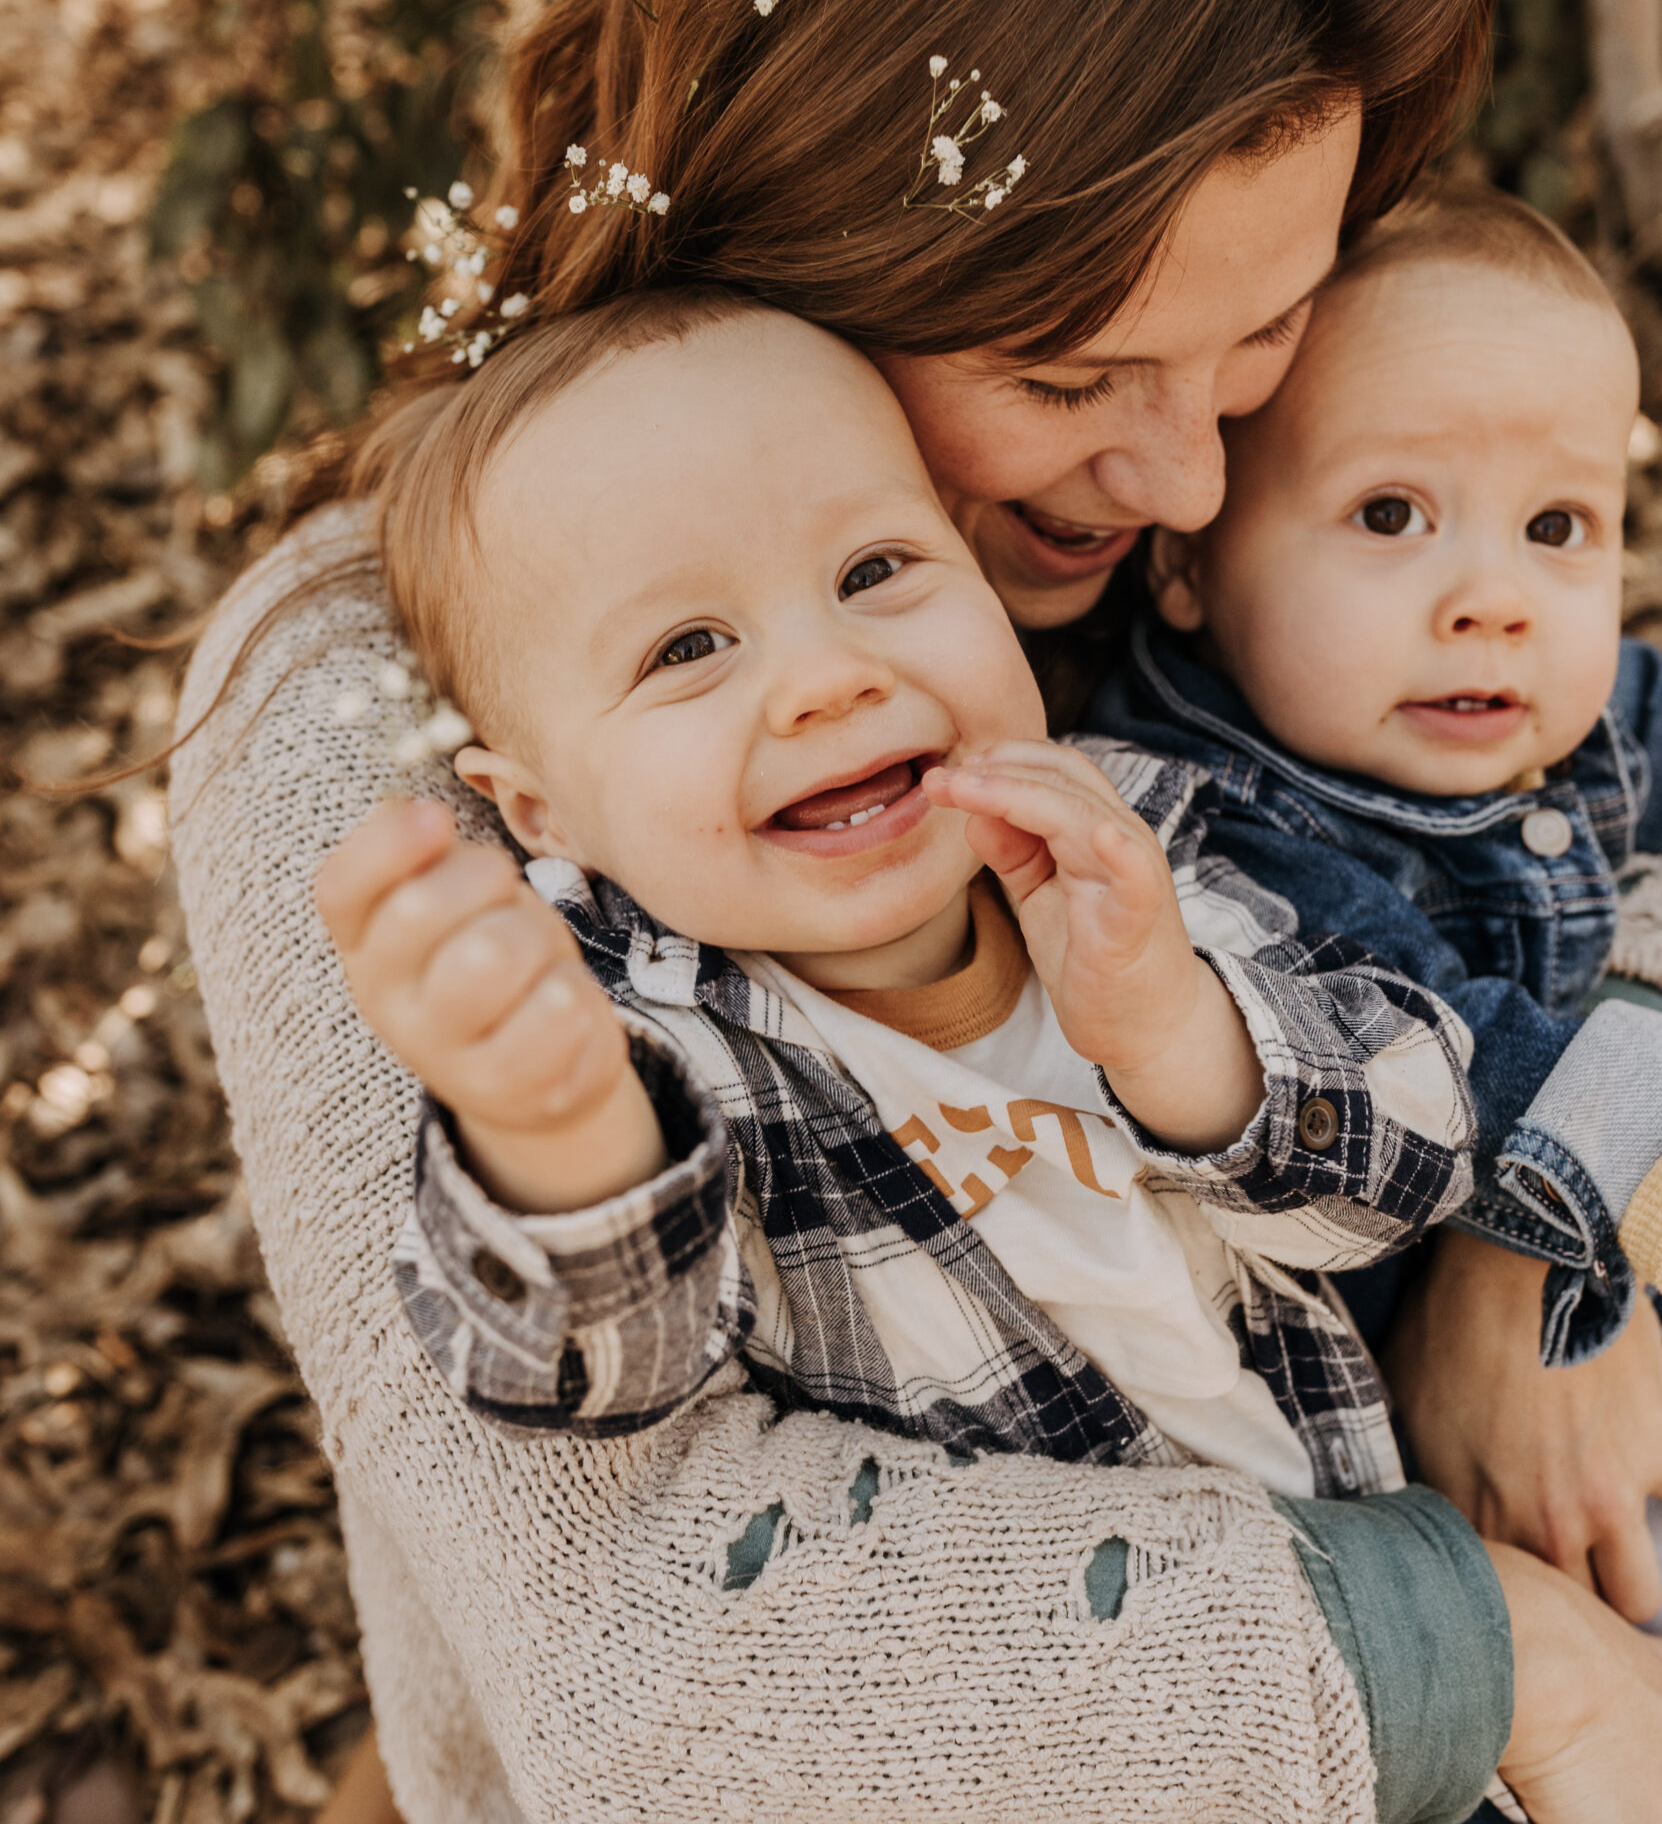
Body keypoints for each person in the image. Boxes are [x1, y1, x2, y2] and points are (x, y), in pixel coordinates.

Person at [170, 0, 1662, 1824]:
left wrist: (1545, 1230)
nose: (1193, 477)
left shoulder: (1183, 478)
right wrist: (1503, 1656)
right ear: (817, 229)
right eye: (1075, 368)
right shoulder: (377, 713)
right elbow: (658, 1671)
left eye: (1255, 345)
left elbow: (1598, 798)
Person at [318, 292, 1479, 1510]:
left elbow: (1419, 1166)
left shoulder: (1130, 841)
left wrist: (1177, 1034)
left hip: (1380, 1544)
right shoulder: (665, 1053)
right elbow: (592, 1380)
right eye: (687, 648)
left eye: (875, 570)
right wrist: (558, 1128)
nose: (828, 678)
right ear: (542, 812)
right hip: (1084, 1676)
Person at [1099, 187, 1662, 1628]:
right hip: (1440, 1472)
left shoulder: (1595, 706)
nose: (1489, 596)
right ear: (1185, 555)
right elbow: (1445, 1053)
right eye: (1387, 514)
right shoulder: (1207, 819)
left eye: (1555, 524)